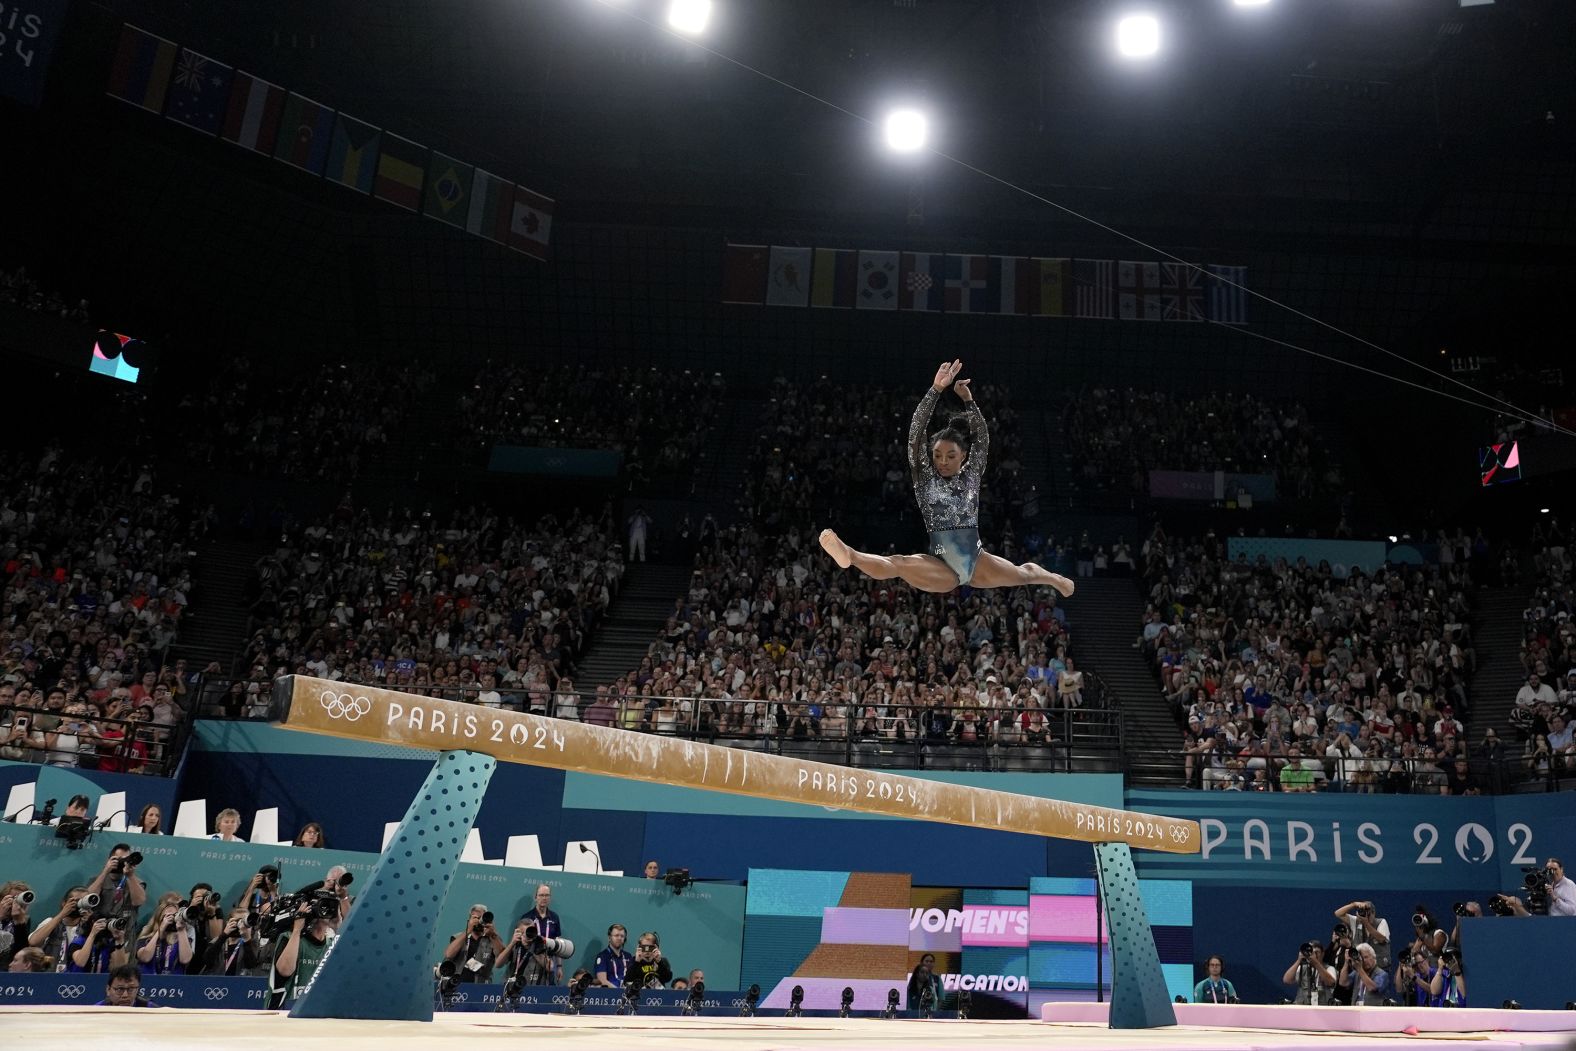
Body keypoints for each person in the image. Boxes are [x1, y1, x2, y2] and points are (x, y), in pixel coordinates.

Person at [819, 361, 1075, 597]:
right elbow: (915, 435)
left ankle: (1053, 578)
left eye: (950, 456)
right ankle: (849, 555)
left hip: (977, 560)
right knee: (900, 563)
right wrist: (935, 389)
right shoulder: (925, 478)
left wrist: (969, 401)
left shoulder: (972, 474)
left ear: (963, 456)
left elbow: (982, 439)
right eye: (937, 455)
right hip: (940, 565)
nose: (942, 461)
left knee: (1024, 574)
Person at [269, 895, 336, 1009]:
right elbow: (285, 970)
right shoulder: (288, 937)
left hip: (317, 1010)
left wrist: (339, 925)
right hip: (284, 1011)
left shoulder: (331, 944)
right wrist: (297, 930)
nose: (325, 911)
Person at [442, 904, 504, 983]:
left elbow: (502, 959)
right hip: (456, 983)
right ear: (469, 920)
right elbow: (449, 954)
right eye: (475, 918)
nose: (479, 921)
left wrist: (493, 935)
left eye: (481, 918)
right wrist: (468, 930)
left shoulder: (493, 939)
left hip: (480, 985)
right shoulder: (459, 937)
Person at [1334, 899, 1392, 970]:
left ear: (1373, 913)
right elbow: (1338, 913)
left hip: (1380, 968)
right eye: (1364, 913)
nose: (1366, 916)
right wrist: (1354, 904)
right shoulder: (1355, 921)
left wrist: (1366, 923)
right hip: (1361, 968)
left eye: (1369, 913)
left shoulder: (1381, 922)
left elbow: (1381, 939)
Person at [1338, 942, 1392, 1006]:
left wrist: (1359, 969)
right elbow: (1343, 982)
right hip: (1356, 1010)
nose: (1363, 960)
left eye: (1366, 957)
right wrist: (1346, 962)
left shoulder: (1382, 974)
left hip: (1373, 1012)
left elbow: (1372, 987)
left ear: (1374, 957)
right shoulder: (1357, 973)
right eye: (1361, 958)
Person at [593, 923, 632, 987]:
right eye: (616, 935)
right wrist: (618, 991)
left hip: (628, 993)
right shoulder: (602, 956)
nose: (619, 938)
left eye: (622, 936)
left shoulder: (628, 956)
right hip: (610, 994)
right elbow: (602, 981)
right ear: (609, 937)